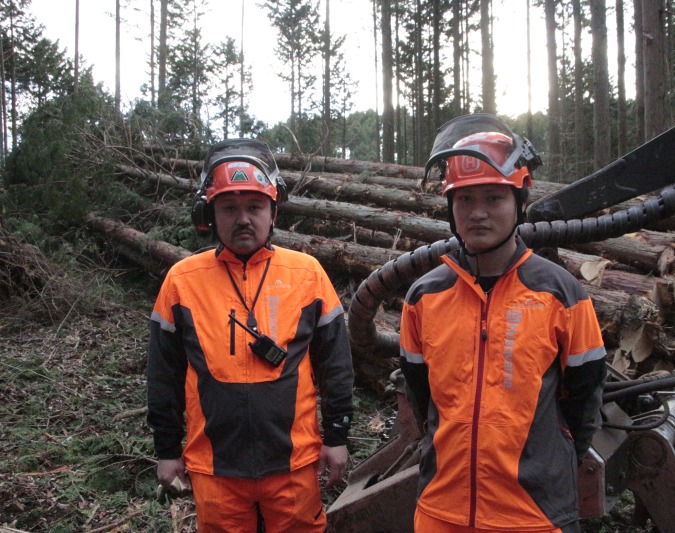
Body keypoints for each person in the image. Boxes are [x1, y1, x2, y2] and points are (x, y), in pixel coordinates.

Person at [399, 114, 607, 533]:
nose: (478, 213)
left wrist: (550, 460)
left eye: (493, 198)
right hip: (442, 510)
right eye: (464, 199)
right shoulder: (424, 296)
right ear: (449, 207)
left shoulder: (560, 294)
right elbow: (422, 396)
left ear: (519, 202)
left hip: (534, 515)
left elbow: (584, 400)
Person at [147, 138, 354, 533]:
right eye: (230, 208)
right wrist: (166, 450)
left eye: (255, 207)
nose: (243, 219)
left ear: (273, 212)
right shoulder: (182, 280)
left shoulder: (306, 274)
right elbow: (163, 374)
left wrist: (337, 436)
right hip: (215, 465)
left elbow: (336, 367)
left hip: (294, 461)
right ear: (209, 214)